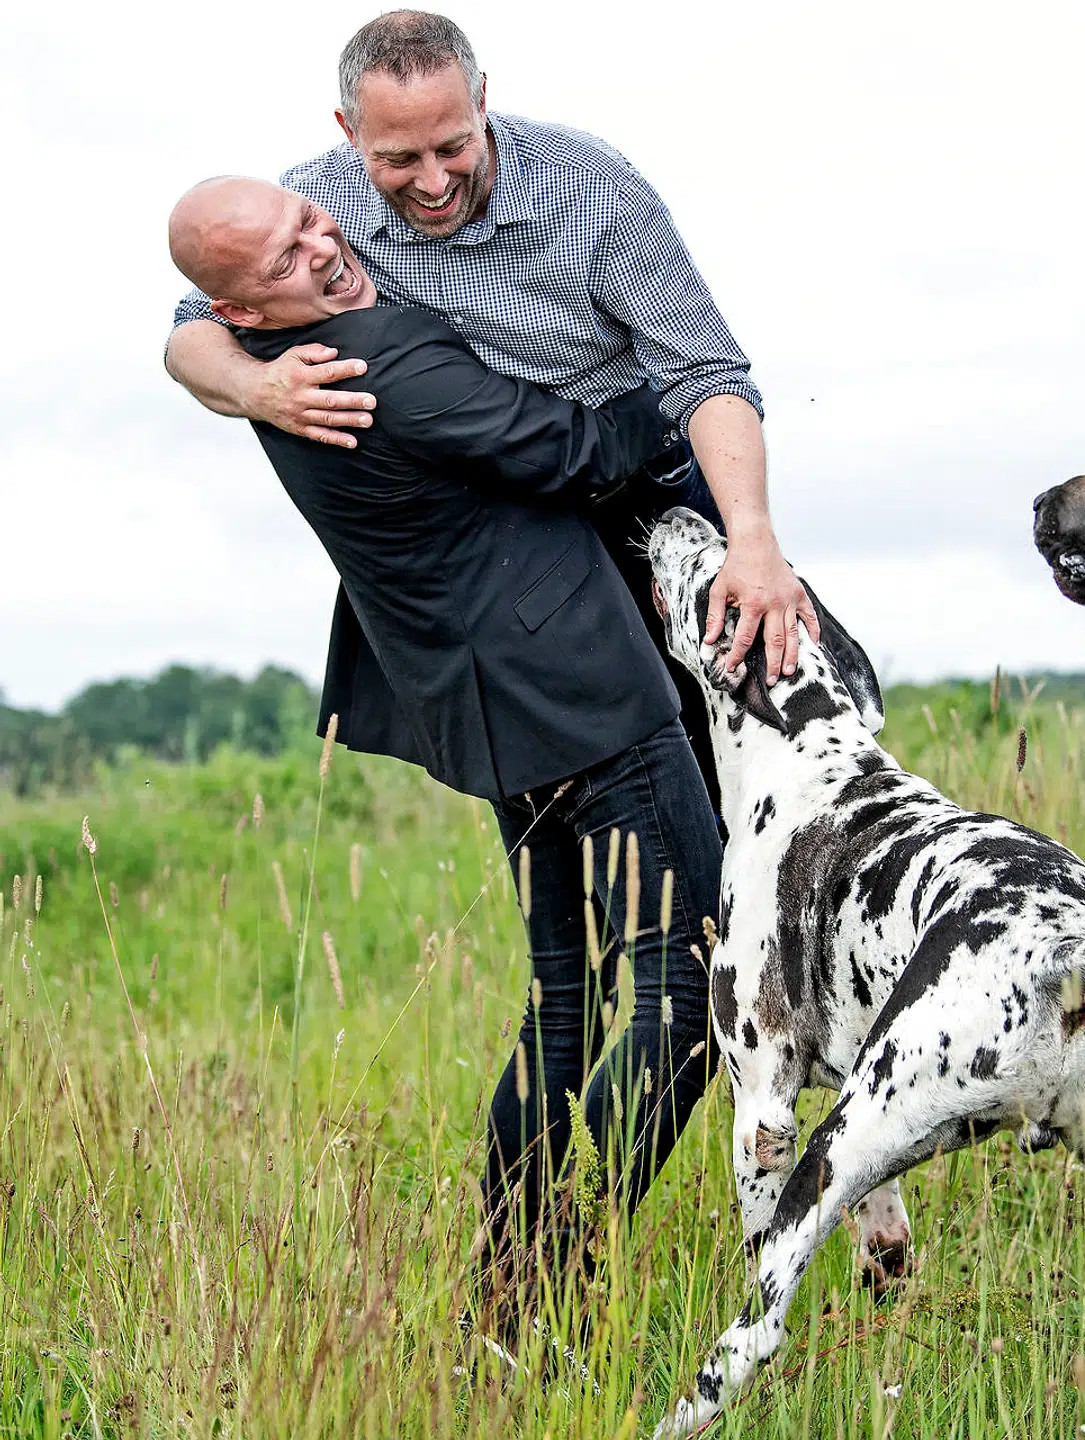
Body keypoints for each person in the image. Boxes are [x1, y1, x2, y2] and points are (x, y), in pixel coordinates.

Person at [166, 174, 724, 1334]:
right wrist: (669, 393)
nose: (322, 248)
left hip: (495, 715)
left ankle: (505, 1291)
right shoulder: (387, 360)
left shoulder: (277, 371)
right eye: (283, 261)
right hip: (586, 693)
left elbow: (192, 331)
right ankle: (566, 1265)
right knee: (686, 990)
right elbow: (576, 452)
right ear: (240, 313)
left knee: (563, 1004)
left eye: (310, 223)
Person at [165, 9, 817, 689]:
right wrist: (257, 388)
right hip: (508, 532)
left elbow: (707, 373)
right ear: (349, 131)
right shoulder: (315, 210)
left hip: (646, 486)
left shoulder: (595, 190)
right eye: (398, 159)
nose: (434, 183)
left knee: (760, 700)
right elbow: (190, 331)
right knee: (602, 738)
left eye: (452, 147)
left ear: (481, 101)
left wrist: (753, 538)